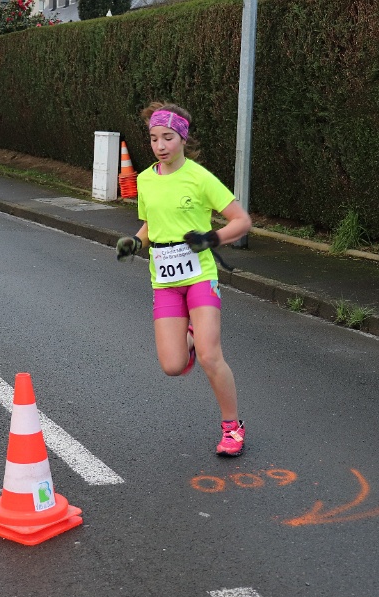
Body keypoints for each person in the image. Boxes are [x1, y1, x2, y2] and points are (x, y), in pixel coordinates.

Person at [115, 102, 253, 457]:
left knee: (209, 355)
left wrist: (211, 238)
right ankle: (190, 334)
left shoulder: (199, 177)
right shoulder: (145, 180)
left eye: (168, 138)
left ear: (183, 139)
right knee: (173, 365)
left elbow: (241, 221)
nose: (160, 146)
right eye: (154, 138)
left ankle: (232, 427)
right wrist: (135, 243)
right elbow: (151, 225)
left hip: (200, 275)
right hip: (164, 281)